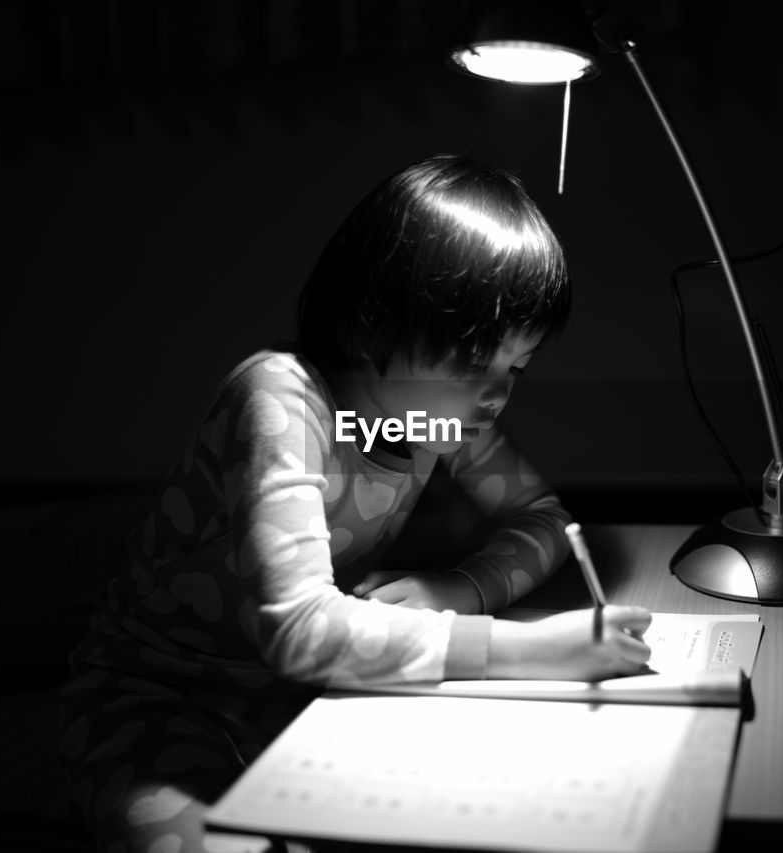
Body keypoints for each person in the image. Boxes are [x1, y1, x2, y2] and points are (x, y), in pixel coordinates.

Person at [58, 153, 653, 853]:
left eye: (515, 367)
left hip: (305, 697)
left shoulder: (426, 419)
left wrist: (459, 587)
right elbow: (299, 629)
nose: (496, 395)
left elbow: (546, 519)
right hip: (157, 698)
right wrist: (524, 649)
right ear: (375, 324)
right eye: (472, 362)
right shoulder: (283, 398)